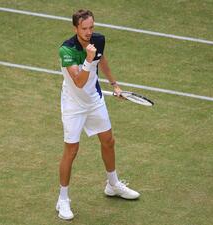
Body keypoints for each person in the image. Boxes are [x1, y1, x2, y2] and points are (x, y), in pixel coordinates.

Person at [56, 9, 140, 220]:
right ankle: (63, 199)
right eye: (84, 28)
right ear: (75, 28)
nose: (88, 32)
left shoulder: (98, 40)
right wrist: (88, 59)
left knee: (108, 140)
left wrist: (115, 84)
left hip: (94, 100)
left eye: (91, 27)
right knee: (71, 150)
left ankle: (112, 184)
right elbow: (79, 81)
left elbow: (101, 61)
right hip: (73, 106)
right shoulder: (66, 50)